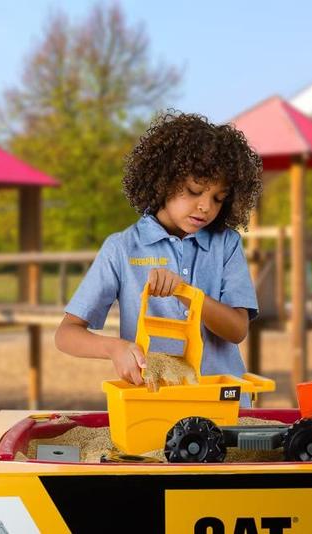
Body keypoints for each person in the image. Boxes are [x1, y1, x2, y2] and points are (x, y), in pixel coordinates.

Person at [54, 110, 263, 407]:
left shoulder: (225, 244)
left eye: (218, 198)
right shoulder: (122, 248)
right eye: (194, 191)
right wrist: (114, 348)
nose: (205, 207)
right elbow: (66, 334)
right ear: (164, 179)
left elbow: (237, 330)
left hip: (224, 405)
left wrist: (187, 294)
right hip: (154, 406)